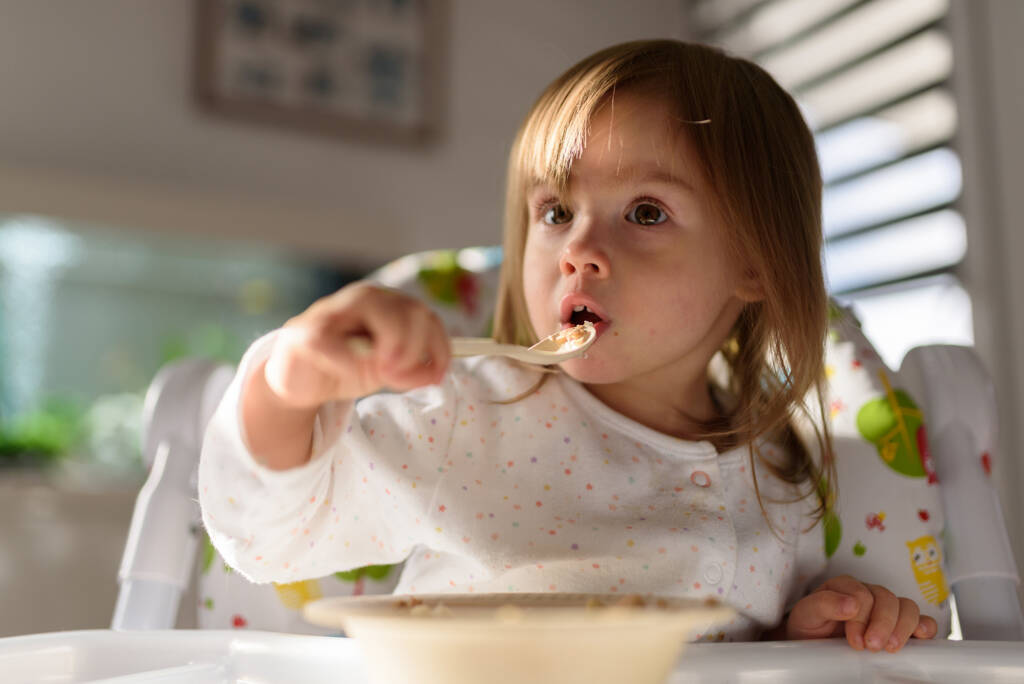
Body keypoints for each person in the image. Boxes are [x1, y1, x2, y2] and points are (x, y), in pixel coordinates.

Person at [199, 40, 937, 649]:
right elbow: (268, 532)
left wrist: (803, 634)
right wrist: (289, 385)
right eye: (555, 211)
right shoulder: (472, 419)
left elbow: (741, 648)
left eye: (645, 213)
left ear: (754, 263)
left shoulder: (781, 474)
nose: (579, 249)